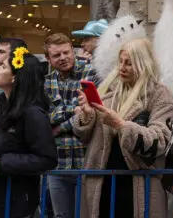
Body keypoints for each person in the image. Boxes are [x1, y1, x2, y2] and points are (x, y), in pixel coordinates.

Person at [72, 38, 173, 218]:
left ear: (143, 64)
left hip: (137, 186)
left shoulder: (159, 94)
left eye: (129, 63)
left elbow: (160, 140)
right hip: (101, 184)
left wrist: (120, 125)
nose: (122, 68)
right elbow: (84, 136)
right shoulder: (107, 91)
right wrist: (87, 115)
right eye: (120, 62)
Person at [0, 47, 57, 218]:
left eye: (3, 67)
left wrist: (2, 164)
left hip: (16, 203)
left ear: (15, 77)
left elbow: (47, 159)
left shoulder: (33, 113)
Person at [44, 33, 97, 218]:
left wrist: (59, 126)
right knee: (61, 216)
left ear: (73, 51)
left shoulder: (90, 73)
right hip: (58, 164)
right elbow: (46, 118)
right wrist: (72, 110)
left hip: (87, 160)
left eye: (66, 52)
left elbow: (92, 112)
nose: (63, 58)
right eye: (56, 56)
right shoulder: (46, 82)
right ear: (48, 59)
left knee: (86, 215)